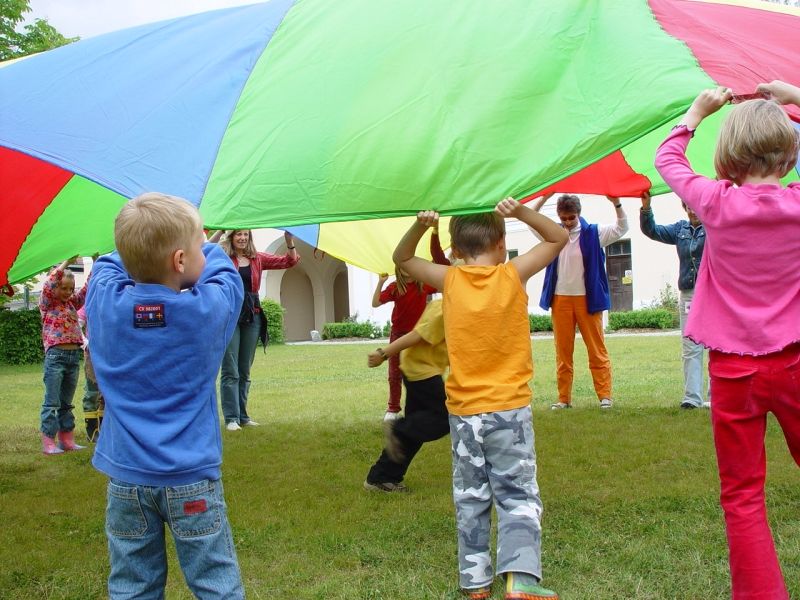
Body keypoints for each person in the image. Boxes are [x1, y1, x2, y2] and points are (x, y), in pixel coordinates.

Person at [654, 81, 800, 600]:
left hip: (733, 370)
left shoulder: (713, 201)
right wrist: (793, 97)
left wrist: (696, 112)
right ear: (788, 155)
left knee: (743, 497)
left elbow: (668, 158)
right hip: (796, 363)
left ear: (729, 155)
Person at [393, 198, 567, 600]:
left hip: (464, 414)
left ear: (454, 251)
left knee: (471, 496)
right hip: (509, 409)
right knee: (518, 493)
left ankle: (475, 583)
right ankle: (521, 578)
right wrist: (520, 212)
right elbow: (558, 237)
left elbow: (402, 257)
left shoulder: (448, 280)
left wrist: (422, 225)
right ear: (502, 243)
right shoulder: (512, 274)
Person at [86, 192, 245, 599]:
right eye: (196, 248)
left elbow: (107, 263)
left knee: (132, 586)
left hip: (125, 479)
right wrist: (199, 242)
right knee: (216, 585)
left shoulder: (105, 304)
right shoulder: (205, 312)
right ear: (180, 260)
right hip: (191, 480)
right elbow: (224, 270)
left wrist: (147, 243)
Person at [533, 194, 628, 409]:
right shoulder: (554, 234)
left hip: (588, 300)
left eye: (571, 218)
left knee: (596, 350)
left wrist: (616, 203)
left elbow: (622, 228)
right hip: (560, 300)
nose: (567, 222)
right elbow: (532, 220)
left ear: (579, 214)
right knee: (563, 352)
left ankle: (605, 396)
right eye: (563, 218)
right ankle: (563, 399)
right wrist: (544, 196)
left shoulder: (594, 232)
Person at [214, 228, 299, 431]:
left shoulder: (257, 258)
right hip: (230, 315)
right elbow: (202, 251)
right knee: (230, 369)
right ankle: (231, 418)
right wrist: (219, 230)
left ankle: (243, 416)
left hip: (252, 314)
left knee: (244, 369)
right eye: (238, 234)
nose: (242, 238)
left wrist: (289, 241)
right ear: (231, 237)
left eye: (246, 234)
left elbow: (289, 261)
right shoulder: (222, 256)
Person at [364, 298, 449, 493]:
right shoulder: (444, 308)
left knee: (416, 431)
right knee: (443, 416)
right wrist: (383, 353)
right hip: (422, 371)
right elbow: (415, 336)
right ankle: (398, 428)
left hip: (421, 369)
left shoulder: (459, 306)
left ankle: (381, 478)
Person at [639, 191, 710, 409]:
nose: (692, 211)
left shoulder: (715, 227)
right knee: (690, 345)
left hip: (713, 293)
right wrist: (646, 208)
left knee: (716, 345)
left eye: (695, 206)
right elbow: (653, 231)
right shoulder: (680, 229)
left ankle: (717, 397)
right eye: (688, 207)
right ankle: (692, 397)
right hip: (688, 293)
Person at [38, 256, 88, 455]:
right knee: (52, 402)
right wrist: (66, 263)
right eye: (63, 288)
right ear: (54, 289)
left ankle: (66, 439)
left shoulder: (71, 304)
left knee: (67, 402)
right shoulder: (48, 303)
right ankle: (48, 441)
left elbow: (86, 290)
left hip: (72, 358)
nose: (67, 292)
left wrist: (96, 261)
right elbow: (50, 282)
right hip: (55, 358)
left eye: (70, 288)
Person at [77, 305, 104, 442]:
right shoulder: (89, 305)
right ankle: (92, 432)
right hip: (92, 355)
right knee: (92, 391)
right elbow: (76, 323)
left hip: (110, 354)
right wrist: (85, 344)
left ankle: (105, 429)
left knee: (107, 394)